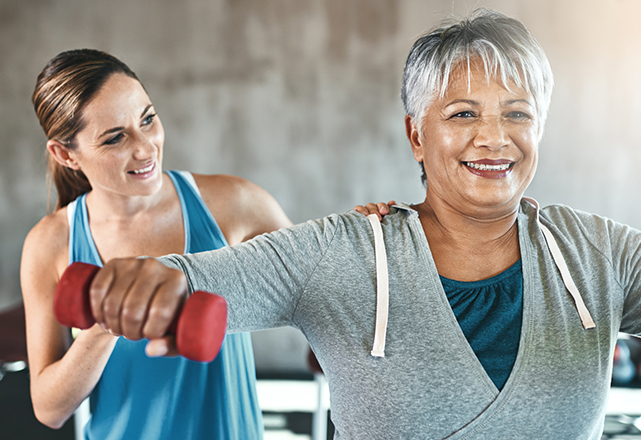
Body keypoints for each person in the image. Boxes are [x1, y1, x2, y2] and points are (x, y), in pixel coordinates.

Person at [66, 9, 641, 439]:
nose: (494, 137)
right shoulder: (342, 254)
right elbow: (195, 277)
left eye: (518, 114)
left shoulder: (600, 253)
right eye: (463, 113)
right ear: (417, 134)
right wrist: (143, 284)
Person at [20, 49, 385, 439]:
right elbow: (49, 409)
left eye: (148, 119)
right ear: (65, 154)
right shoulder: (51, 243)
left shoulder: (234, 203)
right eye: (114, 138)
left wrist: (366, 239)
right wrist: (105, 324)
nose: (145, 148)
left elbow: (322, 292)